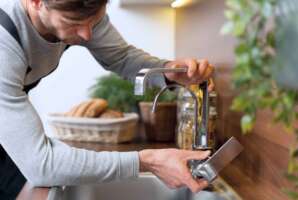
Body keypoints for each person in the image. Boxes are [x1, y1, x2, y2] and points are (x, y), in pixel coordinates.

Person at [0, 0, 214, 199]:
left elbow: (120, 58)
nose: (86, 34)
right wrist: (145, 162)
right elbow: (42, 165)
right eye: (73, 22)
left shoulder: (84, 9)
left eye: (94, 20)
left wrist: (167, 71)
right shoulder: (3, 45)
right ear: (35, 2)